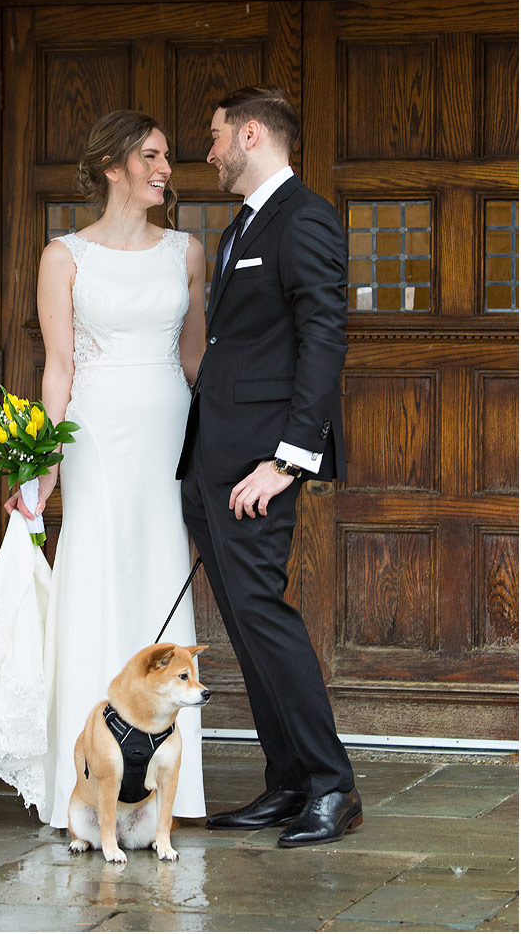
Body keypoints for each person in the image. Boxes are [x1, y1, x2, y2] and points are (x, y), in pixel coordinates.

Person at [6, 110, 208, 829]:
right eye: (150, 157)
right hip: (94, 430)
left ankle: (161, 788)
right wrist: (44, 465)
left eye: (167, 158)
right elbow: (57, 366)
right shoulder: (64, 256)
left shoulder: (186, 251)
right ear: (112, 165)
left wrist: (221, 439)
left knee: (159, 566)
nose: (165, 170)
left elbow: (193, 359)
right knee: (92, 571)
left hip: (166, 427)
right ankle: (86, 779)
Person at [177, 86, 362, 847]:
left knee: (265, 619)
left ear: (251, 134)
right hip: (211, 460)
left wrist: (288, 459)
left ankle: (331, 786)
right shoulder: (239, 226)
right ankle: (285, 781)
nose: (211, 152)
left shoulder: (306, 217)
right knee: (246, 627)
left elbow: (324, 338)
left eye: (217, 137)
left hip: (260, 463)